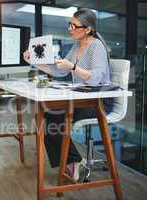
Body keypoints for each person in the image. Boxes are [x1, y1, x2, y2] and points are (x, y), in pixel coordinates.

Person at [23, 8, 113, 182]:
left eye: (74, 25)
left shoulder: (97, 46)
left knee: (53, 116)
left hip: (99, 101)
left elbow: (96, 78)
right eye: (69, 24)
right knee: (47, 114)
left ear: (87, 29)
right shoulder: (77, 45)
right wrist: (33, 61)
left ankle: (72, 162)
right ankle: (73, 161)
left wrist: (72, 67)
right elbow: (58, 71)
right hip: (83, 97)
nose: (70, 28)